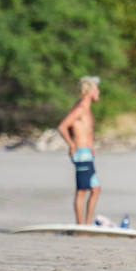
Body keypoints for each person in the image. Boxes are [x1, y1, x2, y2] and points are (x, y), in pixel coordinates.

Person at [58, 76, 102, 225]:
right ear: (89, 90)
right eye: (96, 89)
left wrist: (91, 148)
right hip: (81, 154)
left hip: (87, 153)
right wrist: (72, 145)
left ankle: (87, 225)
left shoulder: (86, 108)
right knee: (82, 190)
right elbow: (63, 126)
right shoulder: (81, 108)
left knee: (95, 189)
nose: (98, 92)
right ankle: (81, 226)